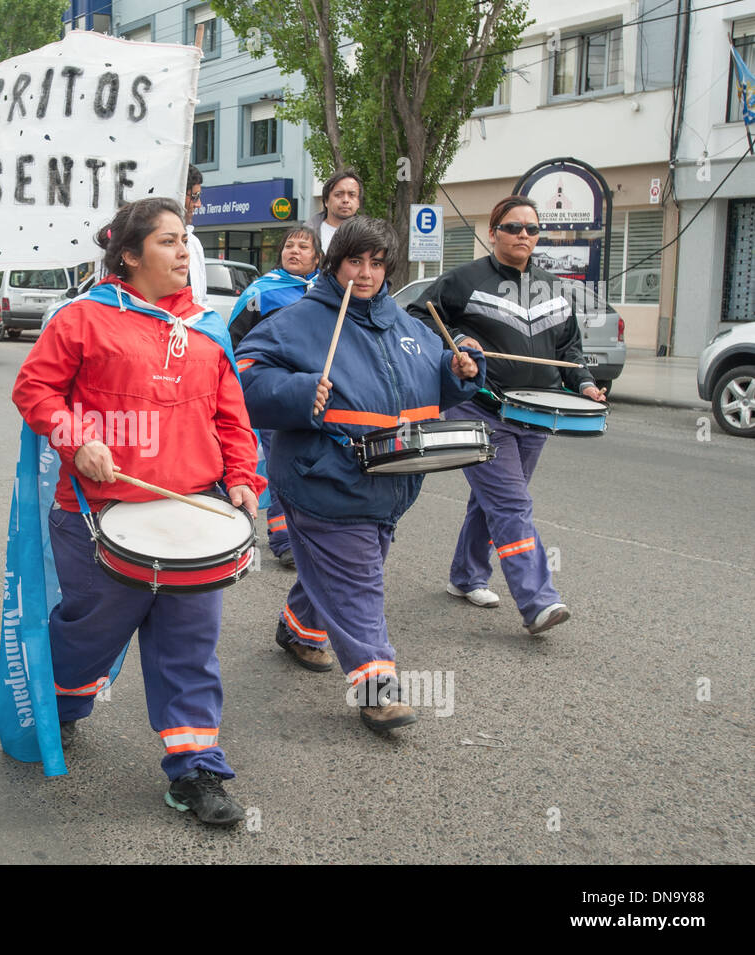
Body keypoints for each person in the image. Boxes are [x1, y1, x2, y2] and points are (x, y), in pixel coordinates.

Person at [12, 197, 265, 825]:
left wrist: (240, 479)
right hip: (98, 515)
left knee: (189, 646)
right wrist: (76, 437)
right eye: (168, 242)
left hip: (193, 519)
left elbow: (231, 417)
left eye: (186, 240)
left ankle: (197, 769)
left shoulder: (207, 328)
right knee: (91, 632)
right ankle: (64, 703)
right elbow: (35, 390)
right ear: (130, 255)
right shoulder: (81, 319)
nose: (184, 252)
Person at [236, 216, 485, 732]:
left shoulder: (409, 325)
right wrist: (300, 393)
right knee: (358, 582)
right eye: (355, 262)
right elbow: (242, 384)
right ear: (335, 264)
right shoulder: (296, 322)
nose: (366, 273)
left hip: (392, 482)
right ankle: (377, 686)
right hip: (321, 479)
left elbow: (431, 382)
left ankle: (301, 628)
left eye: (376, 263)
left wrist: (459, 375)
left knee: (346, 570)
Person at [407, 195, 606, 635]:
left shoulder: (553, 288)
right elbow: (419, 315)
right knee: (512, 503)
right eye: (514, 227)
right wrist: (458, 339)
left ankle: (466, 576)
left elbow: (569, 350)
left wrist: (587, 384)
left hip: (538, 415)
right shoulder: (464, 279)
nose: (523, 236)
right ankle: (539, 600)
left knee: (492, 501)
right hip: (483, 408)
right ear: (493, 231)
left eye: (532, 229)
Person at [226, 226, 322, 578]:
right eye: (288, 246)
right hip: (273, 392)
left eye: (303, 246)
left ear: (317, 257)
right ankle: (283, 540)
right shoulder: (261, 293)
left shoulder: (326, 294)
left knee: (310, 464)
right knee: (280, 462)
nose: (294, 251)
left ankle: (308, 534)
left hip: (317, 393)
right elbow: (234, 341)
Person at [306, 169, 363, 253]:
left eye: (351, 195)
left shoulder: (370, 235)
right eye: (338, 195)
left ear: (358, 202)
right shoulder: (306, 234)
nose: (345, 200)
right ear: (326, 201)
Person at [184, 164, 207, 305]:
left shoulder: (194, 243)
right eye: (194, 196)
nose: (199, 204)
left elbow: (202, 299)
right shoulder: (150, 241)